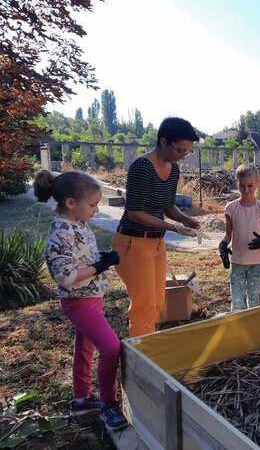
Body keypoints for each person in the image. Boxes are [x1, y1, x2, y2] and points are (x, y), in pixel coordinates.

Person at [33, 170, 128, 432]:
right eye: (93, 205)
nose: (96, 210)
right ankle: (109, 404)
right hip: (78, 301)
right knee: (111, 347)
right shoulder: (60, 232)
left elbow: (83, 258)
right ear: (71, 203)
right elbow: (66, 277)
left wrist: (102, 258)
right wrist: (99, 266)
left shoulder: (78, 224)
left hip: (91, 297)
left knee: (84, 348)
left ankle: (81, 398)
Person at [111, 117, 200, 337]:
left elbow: (169, 206)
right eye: (180, 150)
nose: (182, 155)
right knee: (144, 307)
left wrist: (184, 220)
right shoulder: (142, 167)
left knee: (157, 303)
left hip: (156, 243)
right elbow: (135, 212)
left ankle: (144, 353)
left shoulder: (173, 169)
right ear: (163, 142)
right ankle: (139, 362)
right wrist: (173, 227)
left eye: (187, 152)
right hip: (133, 243)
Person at [219, 163, 260, 310]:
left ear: (257, 183)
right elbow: (228, 234)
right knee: (236, 300)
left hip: (256, 263)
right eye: (242, 186)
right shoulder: (231, 208)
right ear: (237, 183)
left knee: (253, 301)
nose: (246, 190)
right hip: (237, 262)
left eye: (250, 186)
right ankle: (237, 329)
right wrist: (223, 244)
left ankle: (252, 329)